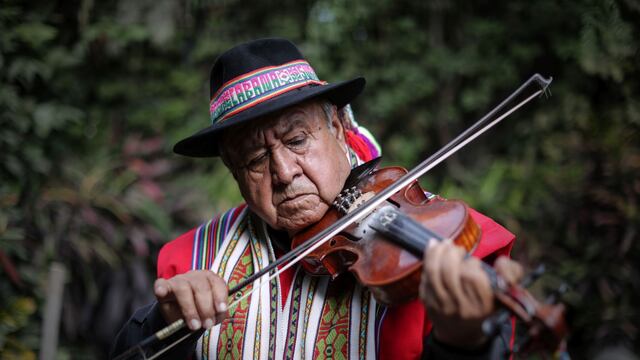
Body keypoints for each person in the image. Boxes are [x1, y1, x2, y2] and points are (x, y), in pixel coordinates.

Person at [110, 38, 523, 360]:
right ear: (234, 173)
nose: (284, 172)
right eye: (255, 159)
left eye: (297, 139)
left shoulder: (443, 235)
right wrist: (164, 322)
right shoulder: (195, 258)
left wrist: (464, 344)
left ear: (341, 128)